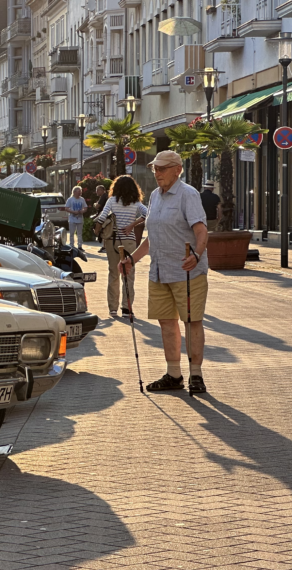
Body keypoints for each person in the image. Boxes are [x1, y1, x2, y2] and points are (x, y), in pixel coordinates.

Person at [119, 151, 210, 394]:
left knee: (191, 321)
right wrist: (132, 259)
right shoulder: (154, 197)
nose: (157, 173)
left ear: (177, 169)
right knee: (166, 322)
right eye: (154, 169)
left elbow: (201, 232)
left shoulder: (188, 195)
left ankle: (196, 375)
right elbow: (152, 237)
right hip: (159, 271)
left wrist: (197, 255)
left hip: (186, 271)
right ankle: (174, 374)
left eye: (162, 168)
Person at [94, 175, 148, 317]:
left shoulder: (112, 200)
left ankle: (113, 308)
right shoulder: (136, 202)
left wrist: (97, 231)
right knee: (128, 275)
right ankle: (126, 308)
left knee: (113, 273)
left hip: (113, 241)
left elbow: (101, 217)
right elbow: (148, 214)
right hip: (129, 241)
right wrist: (132, 225)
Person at [64, 186, 88, 251]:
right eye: (78, 191)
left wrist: (82, 211)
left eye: (80, 191)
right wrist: (73, 212)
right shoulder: (70, 199)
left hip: (80, 219)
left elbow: (85, 208)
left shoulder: (82, 199)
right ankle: (71, 245)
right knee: (71, 233)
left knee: (79, 233)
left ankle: (80, 246)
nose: (80, 193)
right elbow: (66, 208)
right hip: (72, 219)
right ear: (74, 192)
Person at [94, 185, 109, 252]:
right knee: (104, 230)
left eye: (98, 190)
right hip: (104, 215)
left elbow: (97, 206)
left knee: (104, 230)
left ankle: (105, 247)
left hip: (104, 216)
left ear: (102, 190)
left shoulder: (103, 196)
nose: (96, 192)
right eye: (96, 190)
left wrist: (95, 204)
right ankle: (104, 246)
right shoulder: (103, 196)